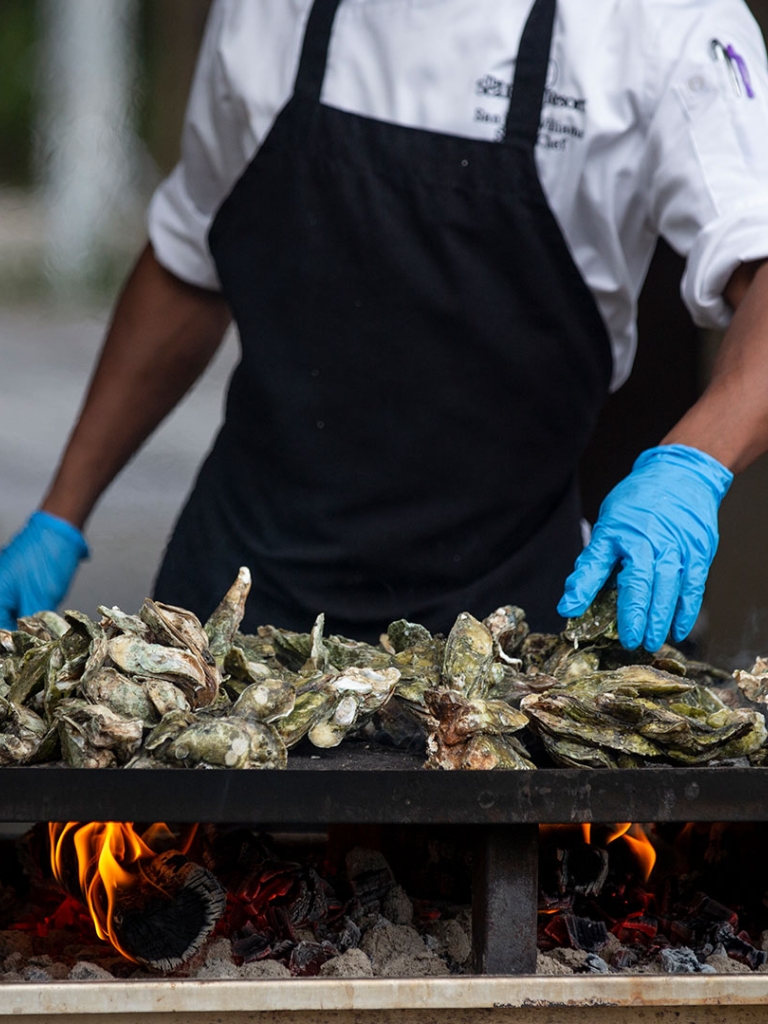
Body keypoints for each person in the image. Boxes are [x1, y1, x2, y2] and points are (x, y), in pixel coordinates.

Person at [2, 0, 768, 651]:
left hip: (502, 625)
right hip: (235, 606)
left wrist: (692, 464)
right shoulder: (272, 12)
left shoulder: (660, 24)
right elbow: (188, 259)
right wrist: (61, 512)